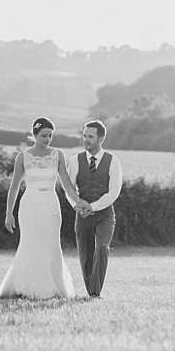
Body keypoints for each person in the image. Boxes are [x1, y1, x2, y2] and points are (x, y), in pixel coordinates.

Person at [0, 117, 84, 299]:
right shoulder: (22, 157)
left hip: (51, 204)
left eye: (50, 136)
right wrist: (8, 213)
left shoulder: (58, 155)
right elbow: (14, 187)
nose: (47, 139)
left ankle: (52, 287)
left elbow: (67, 184)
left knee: (51, 245)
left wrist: (79, 202)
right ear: (34, 135)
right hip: (30, 205)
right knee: (30, 244)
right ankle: (26, 286)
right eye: (44, 135)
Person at [65, 120, 123, 299]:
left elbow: (113, 192)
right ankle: (92, 291)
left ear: (101, 138)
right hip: (82, 215)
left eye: (90, 136)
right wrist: (78, 205)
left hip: (105, 215)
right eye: (84, 136)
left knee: (102, 247)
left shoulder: (113, 161)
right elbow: (69, 188)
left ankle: (95, 292)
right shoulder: (75, 161)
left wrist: (93, 207)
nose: (85, 140)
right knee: (85, 255)